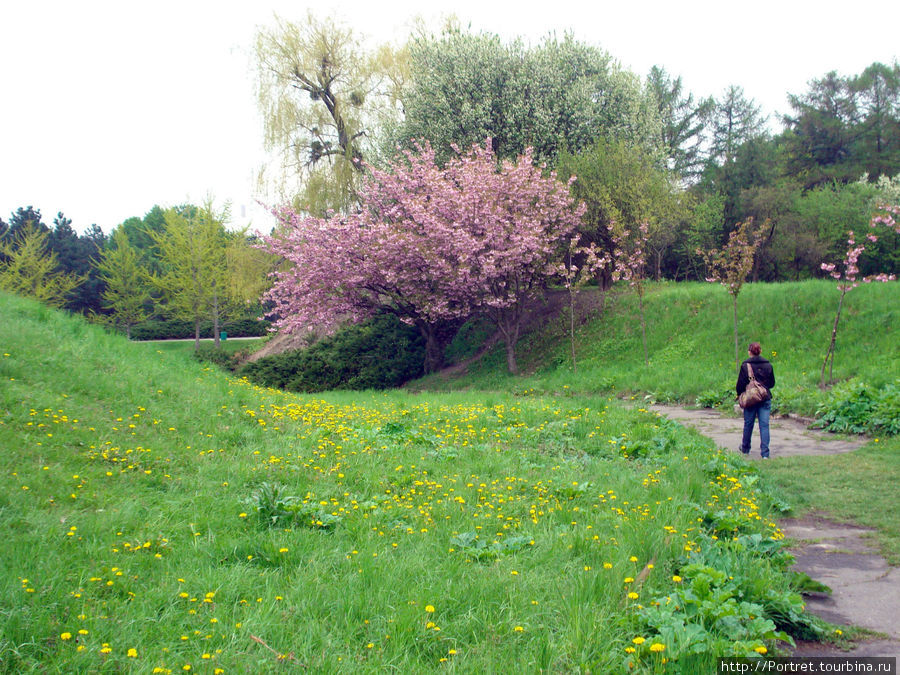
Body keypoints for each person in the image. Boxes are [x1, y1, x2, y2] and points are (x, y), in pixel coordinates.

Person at [736, 342, 775, 458]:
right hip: (765, 398)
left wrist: (740, 394)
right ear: (760, 351)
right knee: (764, 425)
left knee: (748, 424)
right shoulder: (768, 365)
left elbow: (740, 384)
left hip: (750, 400)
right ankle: (765, 454)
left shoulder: (745, 365)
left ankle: (745, 449)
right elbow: (772, 383)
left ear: (749, 352)